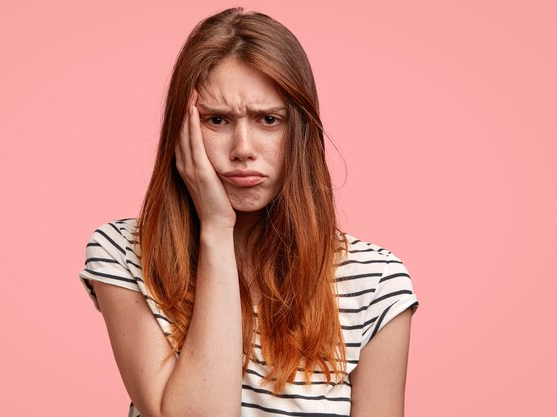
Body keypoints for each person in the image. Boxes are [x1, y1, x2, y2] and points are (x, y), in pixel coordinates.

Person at [79, 7, 419, 417]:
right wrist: (217, 230)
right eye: (217, 120)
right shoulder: (123, 253)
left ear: (300, 131)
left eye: (268, 120)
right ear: (180, 128)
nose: (243, 148)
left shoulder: (375, 281)